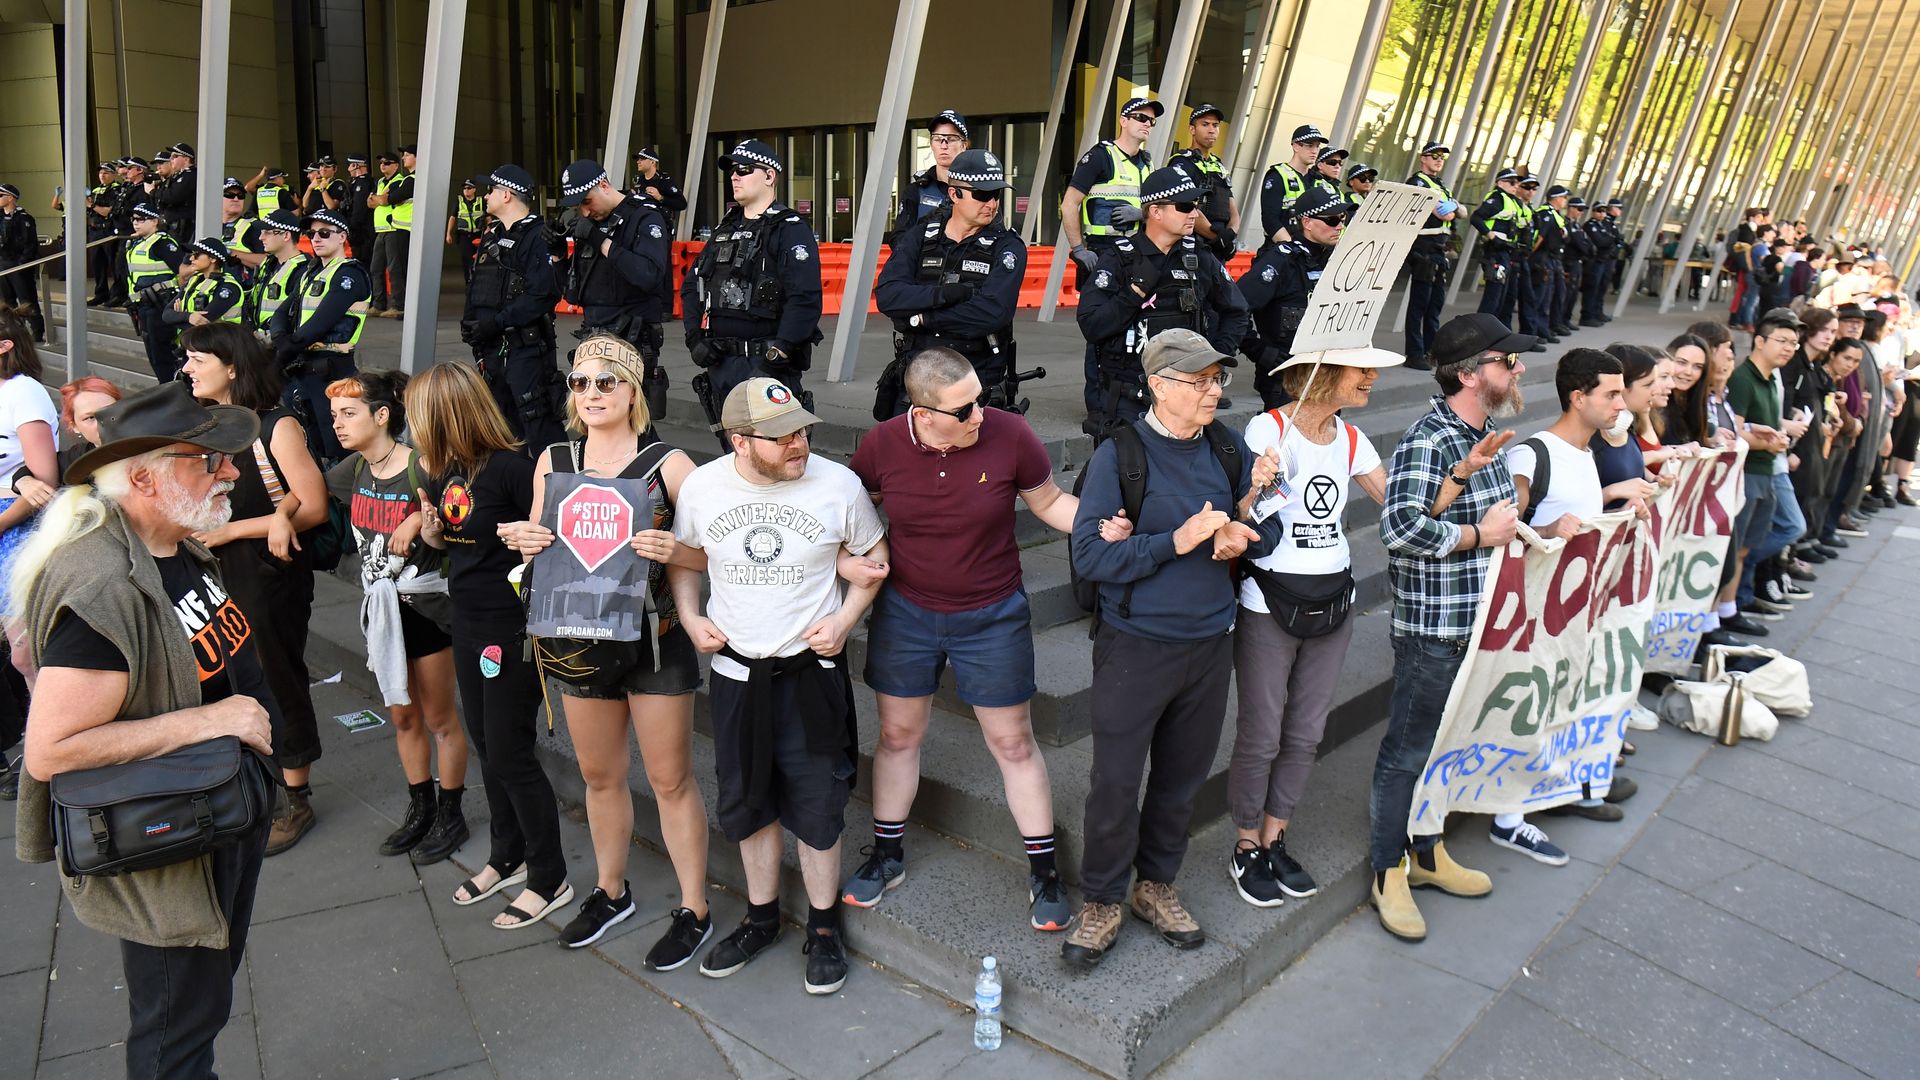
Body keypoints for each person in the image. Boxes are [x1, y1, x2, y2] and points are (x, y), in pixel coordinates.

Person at [12, 381, 274, 1079]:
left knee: (201, 1007)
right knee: (175, 1035)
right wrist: (213, 719)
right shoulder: (107, 585)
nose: (231, 471)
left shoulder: (169, 540)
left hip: (217, 816)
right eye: (208, 460)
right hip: (171, 846)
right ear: (142, 478)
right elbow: (49, 749)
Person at [841, 348, 1117, 933]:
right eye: (963, 409)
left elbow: (1049, 504)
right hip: (908, 611)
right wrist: (846, 559)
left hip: (992, 612)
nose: (979, 415)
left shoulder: (1010, 434)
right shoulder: (883, 445)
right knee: (897, 734)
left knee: (1013, 742)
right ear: (922, 413)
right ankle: (887, 854)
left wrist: (1098, 521)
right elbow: (854, 515)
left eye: (981, 399)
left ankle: (1043, 870)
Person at [1061, 329, 1282, 970]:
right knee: (1115, 781)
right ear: (1159, 384)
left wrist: (1245, 533)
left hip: (1211, 641)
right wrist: (1174, 540)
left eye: (1218, 379)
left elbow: (1264, 530)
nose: (1214, 390)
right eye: (1199, 380)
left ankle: (1155, 886)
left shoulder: (1225, 445)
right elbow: (1090, 555)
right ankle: (1102, 899)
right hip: (1137, 645)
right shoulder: (1121, 454)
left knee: (1182, 779)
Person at [493, 334, 713, 961]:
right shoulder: (554, 458)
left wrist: (680, 551)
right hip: (577, 638)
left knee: (670, 781)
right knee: (598, 775)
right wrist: (526, 541)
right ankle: (611, 890)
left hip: (653, 642)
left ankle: (694, 905)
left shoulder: (670, 463)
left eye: (606, 382)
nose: (591, 393)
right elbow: (544, 542)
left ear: (634, 391)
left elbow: (710, 554)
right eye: (580, 382)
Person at [668, 377, 889, 995]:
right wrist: (690, 617)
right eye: (782, 436)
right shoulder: (705, 489)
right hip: (737, 674)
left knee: (819, 806)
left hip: (809, 675)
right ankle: (761, 917)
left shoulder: (837, 483)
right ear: (740, 441)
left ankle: (823, 927)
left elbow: (873, 556)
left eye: (802, 430)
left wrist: (846, 619)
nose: (800, 444)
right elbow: (687, 561)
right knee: (747, 802)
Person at [1371, 313, 1535, 942]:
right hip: (1434, 628)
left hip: (1476, 623)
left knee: (1444, 747)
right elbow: (1399, 529)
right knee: (1407, 752)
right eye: (1505, 361)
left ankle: (1428, 852)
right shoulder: (1427, 438)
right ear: (1469, 374)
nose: (1517, 369)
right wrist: (1477, 534)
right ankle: (1389, 870)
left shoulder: (1482, 432)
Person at [1227, 346, 1394, 907]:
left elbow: (1397, 507)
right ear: (1321, 373)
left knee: (1306, 733)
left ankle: (1276, 837)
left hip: (1333, 599)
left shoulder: (1351, 438)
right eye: (1360, 369)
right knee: (1262, 732)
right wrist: (1258, 483)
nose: (1371, 377)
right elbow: (1242, 515)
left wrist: (1459, 478)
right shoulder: (1266, 428)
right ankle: (1246, 844)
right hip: (1270, 600)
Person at [410, 361, 573, 930]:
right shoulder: (440, 472)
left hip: (511, 626)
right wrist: (431, 531)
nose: (412, 428)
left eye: (419, 416)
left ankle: (549, 877)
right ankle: (507, 854)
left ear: (444, 415)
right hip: (467, 620)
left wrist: (527, 540)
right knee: (484, 741)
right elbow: (450, 540)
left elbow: (550, 547)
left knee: (509, 750)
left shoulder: (511, 470)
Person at [178, 322, 330, 855]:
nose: (187, 369)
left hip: (268, 570)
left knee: (275, 674)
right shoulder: (204, 423)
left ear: (233, 368)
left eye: (199, 360)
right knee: (230, 675)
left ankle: (297, 798)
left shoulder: (274, 425)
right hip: (214, 568)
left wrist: (230, 531)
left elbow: (312, 505)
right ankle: (254, 781)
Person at [322, 370, 469, 864]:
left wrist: (416, 518)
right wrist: (281, 515)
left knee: (439, 717)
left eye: (349, 414)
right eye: (335, 415)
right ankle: (420, 806)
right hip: (381, 611)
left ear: (381, 416)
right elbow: (312, 491)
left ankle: (452, 812)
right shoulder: (356, 470)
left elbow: (456, 517)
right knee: (402, 716)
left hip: (425, 608)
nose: (338, 424)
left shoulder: (421, 466)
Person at [1077, 166, 1249, 437]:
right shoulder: (1120, 258)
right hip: (1129, 399)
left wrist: (1212, 360)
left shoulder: (1200, 258)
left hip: (1185, 396)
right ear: (1155, 211)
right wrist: (1134, 293)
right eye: (1184, 206)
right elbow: (1092, 325)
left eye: (1195, 205)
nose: (1194, 213)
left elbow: (1238, 312)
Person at [681, 140, 822, 436]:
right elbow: (692, 286)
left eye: (744, 170)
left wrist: (781, 351)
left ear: (769, 176)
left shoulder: (789, 228)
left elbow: (805, 298)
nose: (734, 176)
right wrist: (694, 338)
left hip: (767, 363)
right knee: (732, 454)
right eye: (732, 170)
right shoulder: (725, 229)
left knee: (774, 451)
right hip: (720, 363)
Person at [874, 149, 1026, 416]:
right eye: (981, 194)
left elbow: (992, 312)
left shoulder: (1008, 246)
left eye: (996, 194)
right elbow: (888, 295)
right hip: (918, 374)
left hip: (975, 377)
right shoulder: (920, 236)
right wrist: (948, 294)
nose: (991, 203)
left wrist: (924, 319)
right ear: (954, 194)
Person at [558, 158, 674, 420]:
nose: (585, 212)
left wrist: (601, 240)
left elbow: (649, 275)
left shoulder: (644, 216)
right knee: (595, 420)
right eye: (580, 207)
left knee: (633, 422)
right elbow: (573, 293)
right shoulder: (591, 225)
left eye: (587, 202)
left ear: (604, 185)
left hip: (630, 340)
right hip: (593, 340)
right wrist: (556, 256)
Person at [1064, 98, 1160, 414]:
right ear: (1123, 120)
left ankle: (1125, 399)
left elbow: (1157, 210)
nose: (1147, 123)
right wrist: (1079, 249)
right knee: (1100, 331)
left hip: (1135, 256)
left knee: (1135, 329)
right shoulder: (1100, 157)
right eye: (1141, 117)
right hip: (1102, 254)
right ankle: (1098, 407)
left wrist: (1142, 213)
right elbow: (1069, 204)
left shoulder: (1147, 164)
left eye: (1151, 120)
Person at [463, 164, 565, 455]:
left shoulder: (537, 236)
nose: (486, 196)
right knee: (500, 429)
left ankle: (554, 492)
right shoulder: (492, 234)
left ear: (506, 195)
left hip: (525, 350)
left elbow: (542, 295)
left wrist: (495, 323)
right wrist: (471, 324)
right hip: (491, 350)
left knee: (538, 424)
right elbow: (479, 284)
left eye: (491, 190)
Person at [1729, 309, 1811, 621]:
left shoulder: (1770, 379)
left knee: (1747, 547)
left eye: (1794, 343)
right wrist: (1769, 442)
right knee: (1739, 548)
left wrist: (1778, 434)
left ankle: (1739, 600)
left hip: (1766, 470)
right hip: (1749, 472)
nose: (1789, 348)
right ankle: (1730, 608)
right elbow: (1734, 432)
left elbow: (1763, 424)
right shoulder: (1743, 378)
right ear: (1760, 341)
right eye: (1783, 341)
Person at [1238, 186, 1349, 408]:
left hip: (1326, 373)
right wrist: (1259, 351)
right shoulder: (1281, 260)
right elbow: (1234, 306)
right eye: (1332, 220)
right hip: (1288, 378)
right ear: (1307, 223)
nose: (1340, 226)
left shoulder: (1333, 260)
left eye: (1342, 218)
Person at [276, 207, 371, 466]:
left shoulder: (349, 274)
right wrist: (280, 339)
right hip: (303, 366)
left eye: (325, 233)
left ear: (343, 237)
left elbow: (320, 324)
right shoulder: (312, 272)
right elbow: (282, 312)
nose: (316, 239)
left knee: (337, 447)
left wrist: (282, 352)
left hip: (332, 369)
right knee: (313, 444)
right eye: (311, 233)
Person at [1404, 142, 1460, 371]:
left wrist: (1454, 206)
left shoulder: (1440, 185)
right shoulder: (1417, 182)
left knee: (1434, 305)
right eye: (1434, 155)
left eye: (1442, 157)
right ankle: (1414, 353)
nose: (1439, 160)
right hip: (1423, 248)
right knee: (1419, 304)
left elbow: (1458, 212)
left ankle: (1431, 350)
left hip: (1438, 249)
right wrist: (1454, 208)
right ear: (1423, 158)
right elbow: (1444, 214)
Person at [124, 203, 187, 382]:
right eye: (133, 219)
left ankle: (172, 389)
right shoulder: (137, 242)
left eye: (141, 219)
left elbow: (182, 271)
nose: (135, 223)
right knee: (153, 352)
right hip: (142, 304)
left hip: (160, 304)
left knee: (163, 352)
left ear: (154, 221)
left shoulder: (162, 243)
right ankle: (166, 387)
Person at [1169, 103, 1239, 261]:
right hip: (1193, 245)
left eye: (1215, 125)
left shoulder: (1219, 165)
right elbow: (1186, 207)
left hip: (1220, 246)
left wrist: (1230, 235)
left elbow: (1232, 207)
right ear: (1192, 130)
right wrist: (1218, 238)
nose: (1212, 130)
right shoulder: (1181, 162)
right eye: (1205, 124)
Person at [890, 109, 972, 245]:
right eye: (938, 139)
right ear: (931, 144)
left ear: (963, 145)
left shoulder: (979, 190)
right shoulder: (916, 190)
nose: (944, 145)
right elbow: (899, 240)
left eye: (951, 139)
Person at [1258, 124, 1329, 248]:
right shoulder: (1278, 175)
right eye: (1310, 145)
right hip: (1281, 250)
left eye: (1317, 146)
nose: (1315, 151)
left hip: (1312, 253)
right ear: (1296, 146)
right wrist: (1292, 248)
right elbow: (1270, 220)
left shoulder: (1319, 181)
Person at [1469, 169, 1527, 321]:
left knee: (1500, 297)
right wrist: (1492, 237)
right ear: (1500, 182)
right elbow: (1476, 218)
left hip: (1505, 252)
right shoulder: (1497, 198)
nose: (1516, 186)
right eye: (1512, 182)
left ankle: (1491, 334)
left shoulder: (1512, 201)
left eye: (1518, 183)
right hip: (1495, 252)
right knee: (1492, 298)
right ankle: (1479, 334)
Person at [367, 148, 415, 318]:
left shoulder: (401, 180)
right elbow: (371, 202)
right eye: (381, 162)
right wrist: (380, 199)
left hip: (395, 229)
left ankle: (398, 305)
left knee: (395, 269)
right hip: (381, 230)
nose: (382, 165)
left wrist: (380, 199)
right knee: (376, 268)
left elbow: (386, 199)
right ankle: (379, 304)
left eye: (386, 163)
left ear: (395, 166)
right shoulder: (381, 182)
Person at [165, 237, 246, 332]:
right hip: (192, 342)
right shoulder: (194, 280)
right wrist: (189, 317)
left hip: (218, 344)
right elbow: (166, 314)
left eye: (196, 255)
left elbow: (203, 323)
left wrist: (178, 317)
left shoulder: (228, 287)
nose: (191, 258)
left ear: (213, 259)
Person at [248, 209, 308, 332]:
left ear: (286, 235)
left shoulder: (303, 269)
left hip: (280, 343)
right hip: (258, 340)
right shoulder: (268, 264)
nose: (261, 237)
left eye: (267, 232)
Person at [0, 183, 45, 342]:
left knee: (27, 299)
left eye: (1, 195)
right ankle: (14, 332)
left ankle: (37, 331)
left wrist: (22, 265)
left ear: (11, 198)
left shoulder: (24, 218)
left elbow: (30, 245)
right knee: (7, 302)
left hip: (19, 265)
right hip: (3, 264)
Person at [1536, 185, 1575, 338]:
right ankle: (1539, 331)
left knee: (1554, 295)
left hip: (1554, 259)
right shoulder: (1546, 213)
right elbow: (1540, 238)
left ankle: (1545, 329)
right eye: (1564, 197)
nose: (1565, 201)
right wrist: (1528, 256)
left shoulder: (1557, 215)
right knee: (1542, 298)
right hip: (1545, 259)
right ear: (1557, 198)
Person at [629, 146, 688, 224]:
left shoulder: (664, 180)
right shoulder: (638, 181)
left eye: (642, 159)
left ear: (652, 162)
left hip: (660, 225)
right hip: (641, 224)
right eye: (638, 159)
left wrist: (660, 198)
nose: (638, 162)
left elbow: (682, 204)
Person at [446, 178, 487, 284]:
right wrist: (448, 234)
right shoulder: (459, 201)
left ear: (474, 189)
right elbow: (452, 218)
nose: (466, 190)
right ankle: (468, 282)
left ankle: (477, 281)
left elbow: (487, 217)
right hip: (464, 236)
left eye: (469, 188)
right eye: (464, 188)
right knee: (467, 260)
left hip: (478, 235)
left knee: (478, 260)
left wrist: (489, 230)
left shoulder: (481, 201)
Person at [154, 142, 197, 240]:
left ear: (186, 159)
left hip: (183, 226)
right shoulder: (180, 175)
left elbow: (173, 196)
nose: (171, 159)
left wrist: (153, 191)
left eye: (175, 156)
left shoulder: (190, 175)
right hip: (173, 224)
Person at [344, 154, 377, 264]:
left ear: (355, 165)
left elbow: (359, 209)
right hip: (362, 230)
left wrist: (352, 228)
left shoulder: (362, 183)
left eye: (349, 165)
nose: (348, 168)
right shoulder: (358, 182)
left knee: (362, 261)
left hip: (362, 231)